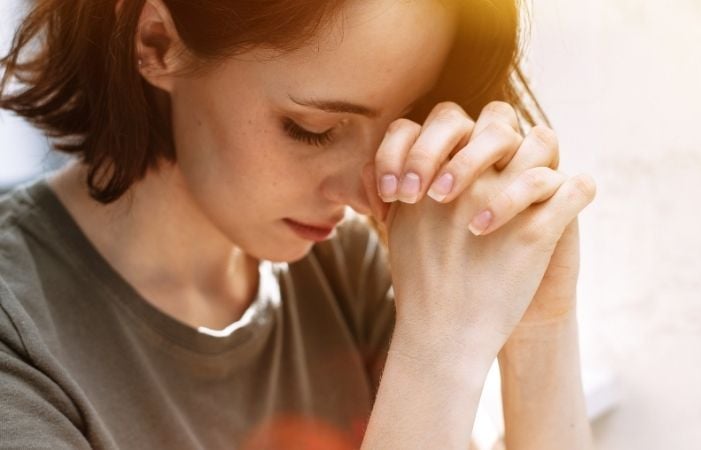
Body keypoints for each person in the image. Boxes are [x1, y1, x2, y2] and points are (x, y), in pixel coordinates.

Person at [0, 0, 597, 448]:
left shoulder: (346, 275)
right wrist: (438, 354)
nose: (366, 192)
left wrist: (537, 331)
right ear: (158, 43)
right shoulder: (19, 339)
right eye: (312, 129)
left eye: (401, 124)